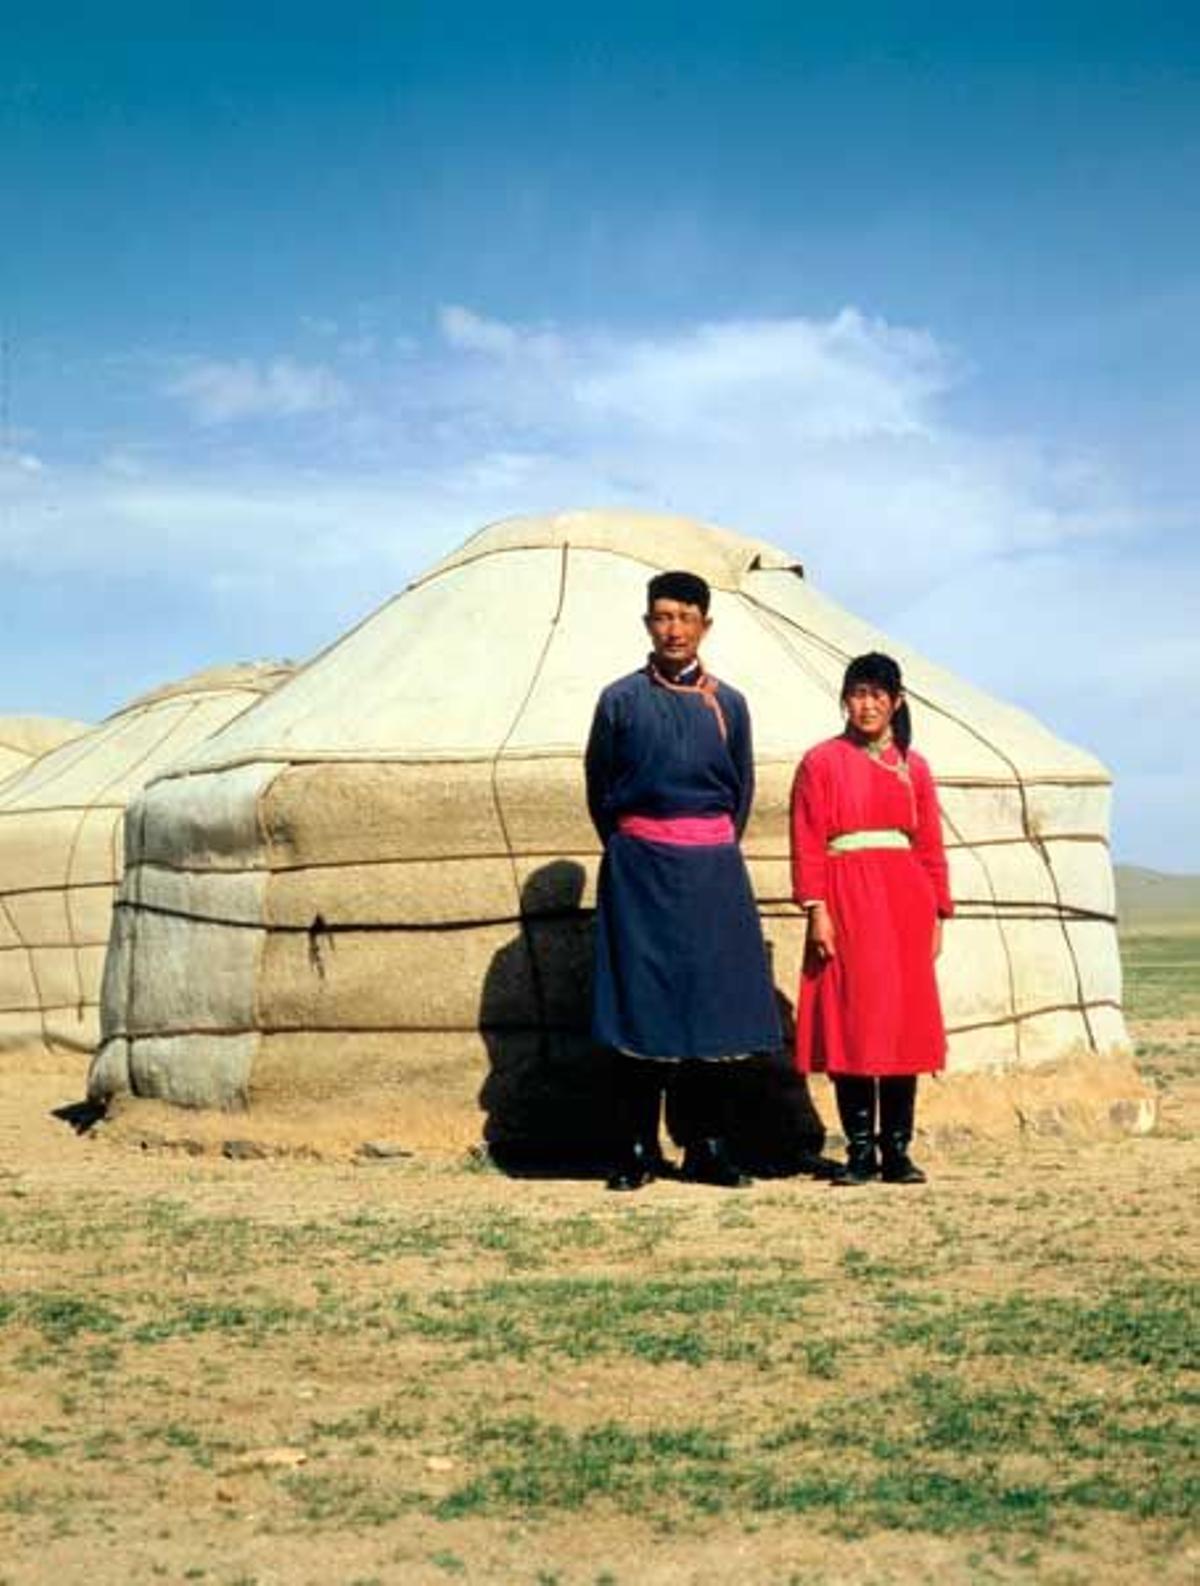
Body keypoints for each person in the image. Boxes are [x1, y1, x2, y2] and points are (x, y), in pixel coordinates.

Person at [585, 569, 781, 1191]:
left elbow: (741, 793)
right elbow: (599, 791)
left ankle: (707, 1147)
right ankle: (636, 1148)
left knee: (712, 1008)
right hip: (639, 869)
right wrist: (636, 843)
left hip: (711, 871)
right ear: (648, 623)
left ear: (705, 626)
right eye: (662, 617)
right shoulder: (618, 700)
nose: (673, 629)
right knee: (640, 1008)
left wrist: (706, 846)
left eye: (685, 617)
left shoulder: (730, 704)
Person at [790, 652, 953, 1185]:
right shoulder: (821, 762)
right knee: (853, 1021)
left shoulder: (916, 767)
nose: (868, 704)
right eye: (858, 693)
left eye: (878, 694)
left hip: (906, 900)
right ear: (845, 700)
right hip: (844, 897)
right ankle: (860, 1152)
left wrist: (939, 913)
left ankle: (897, 1152)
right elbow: (807, 840)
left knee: (903, 1024)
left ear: (896, 701)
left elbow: (930, 846)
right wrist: (816, 908)